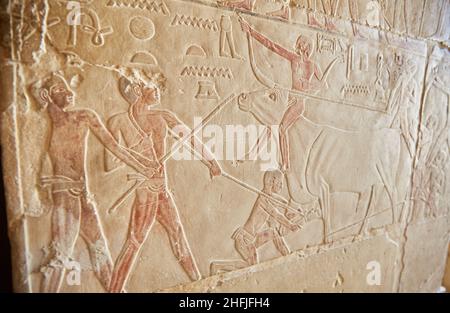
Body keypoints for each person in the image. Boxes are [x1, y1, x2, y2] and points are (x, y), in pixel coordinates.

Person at [37, 73, 154, 293]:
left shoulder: (83, 116)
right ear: (48, 96)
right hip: (64, 198)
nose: (69, 93)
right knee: (60, 256)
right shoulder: (47, 122)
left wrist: (143, 166)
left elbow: (115, 147)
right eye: (60, 90)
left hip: (82, 196)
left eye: (66, 88)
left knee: (100, 254)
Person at [106, 70, 222, 292]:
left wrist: (211, 161)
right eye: (150, 84)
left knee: (176, 232)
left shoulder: (162, 117)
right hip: (145, 191)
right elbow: (110, 163)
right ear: (137, 91)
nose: (157, 88)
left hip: (162, 188)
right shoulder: (119, 121)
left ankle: (199, 283)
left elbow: (189, 139)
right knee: (135, 240)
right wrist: (140, 161)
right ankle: (115, 288)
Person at [210, 170, 302, 274]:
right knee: (251, 265)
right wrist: (291, 225)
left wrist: (290, 207)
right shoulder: (263, 199)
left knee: (273, 233)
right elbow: (276, 214)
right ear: (271, 182)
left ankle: (287, 255)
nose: (282, 186)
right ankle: (218, 266)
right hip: (245, 240)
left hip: (253, 238)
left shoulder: (269, 197)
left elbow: (280, 201)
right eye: (280, 183)